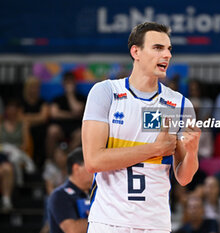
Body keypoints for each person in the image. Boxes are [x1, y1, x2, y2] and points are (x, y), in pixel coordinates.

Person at [82, 22, 201, 233]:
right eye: (158, 48)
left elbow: (184, 178)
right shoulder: (105, 92)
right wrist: (155, 149)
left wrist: (191, 153)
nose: (167, 55)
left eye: (169, 49)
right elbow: (93, 161)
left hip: (155, 224)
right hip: (108, 221)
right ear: (135, 51)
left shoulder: (180, 104)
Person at [47, 147, 92, 233]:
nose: (95, 170)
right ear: (76, 168)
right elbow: (72, 230)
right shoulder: (59, 195)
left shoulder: (96, 192)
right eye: (89, 166)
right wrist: (99, 220)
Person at [46, 72, 85, 157]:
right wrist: (72, 115)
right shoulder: (57, 98)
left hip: (75, 127)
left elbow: (78, 110)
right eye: (67, 82)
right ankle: (49, 160)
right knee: (52, 130)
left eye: (71, 82)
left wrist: (70, 95)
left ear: (75, 83)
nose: (69, 85)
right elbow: (54, 113)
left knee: (81, 133)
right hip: (61, 127)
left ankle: (68, 157)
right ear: (63, 84)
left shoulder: (81, 97)